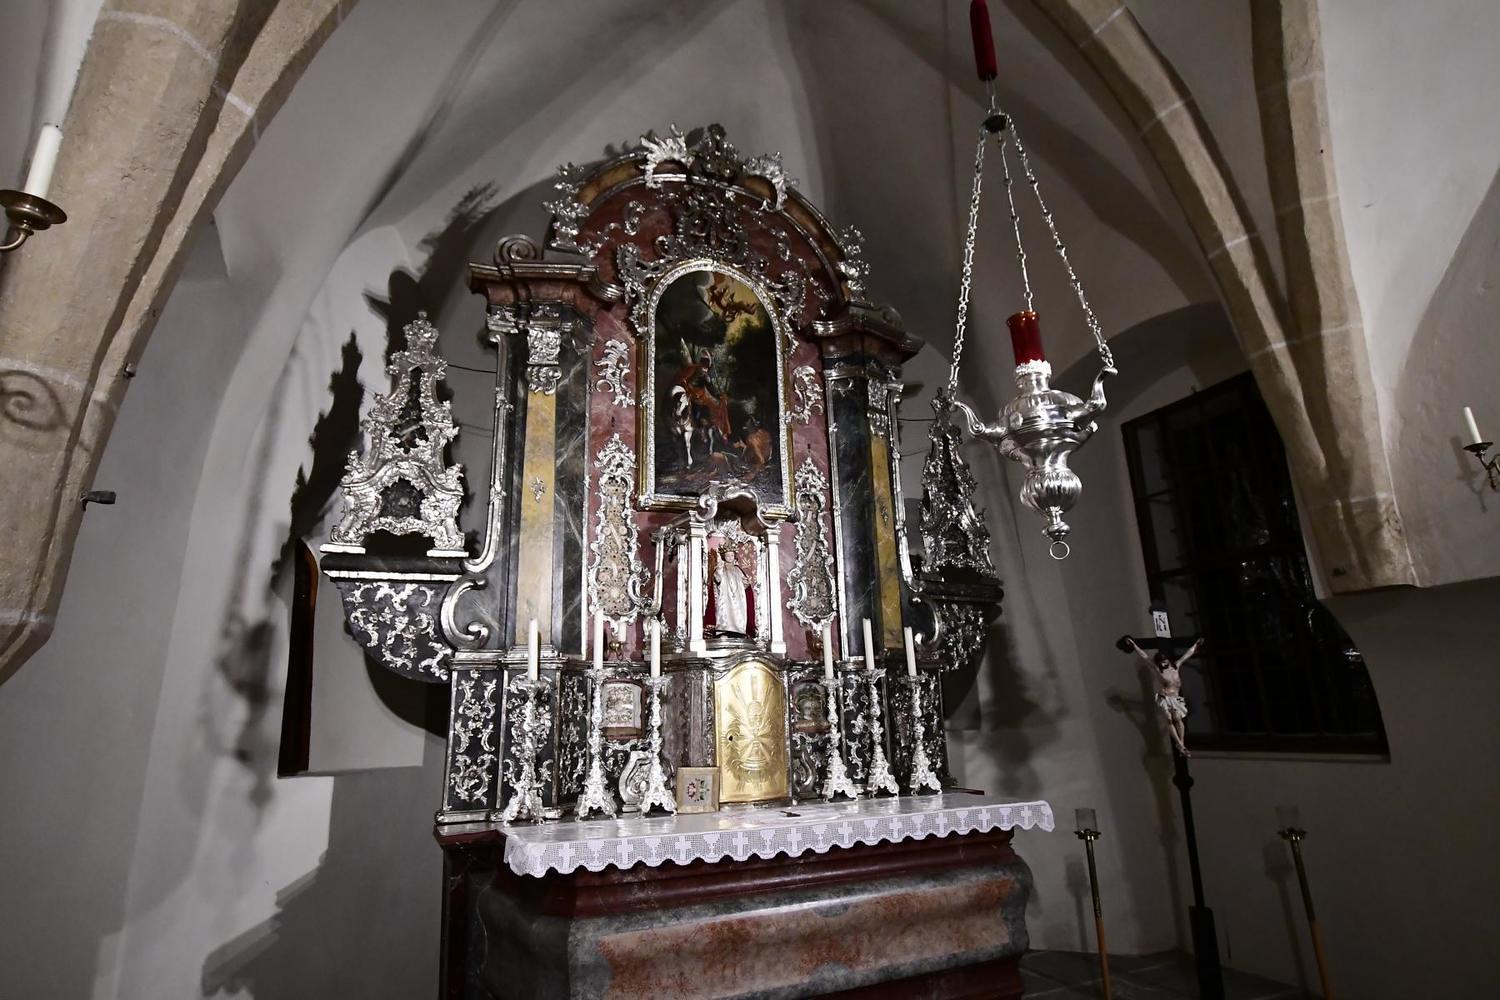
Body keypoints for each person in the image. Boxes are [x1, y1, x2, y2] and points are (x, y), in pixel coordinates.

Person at [1125, 635, 1203, 756]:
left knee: (1178, 718)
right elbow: (1145, 657)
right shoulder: (1158, 670)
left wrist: (1196, 645)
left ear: (1167, 660)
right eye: (1161, 661)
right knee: (1169, 719)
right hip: (1165, 697)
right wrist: (1134, 646)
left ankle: (1181, 744)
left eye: (1165, 660)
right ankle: (1180, 744)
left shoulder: (1176, 666)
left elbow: (1187, 655)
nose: (1164, 662)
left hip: (1176, 698)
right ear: (1159, 662)